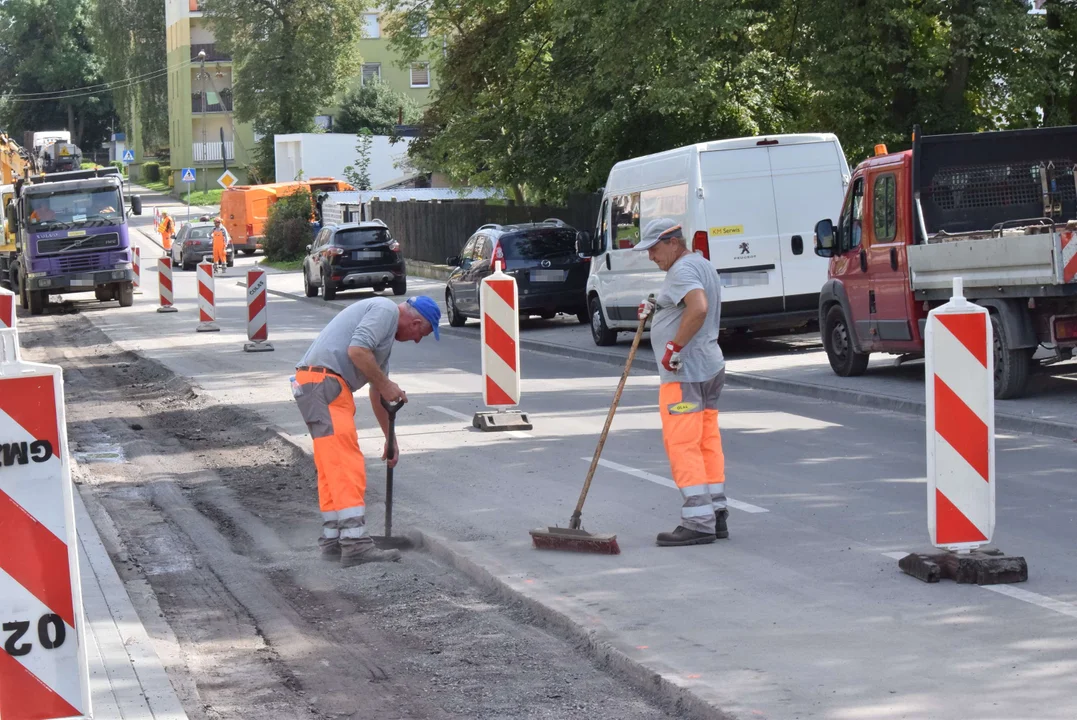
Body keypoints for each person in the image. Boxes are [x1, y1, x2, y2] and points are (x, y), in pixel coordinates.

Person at [292, 295, 441, 566]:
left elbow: (376, 390)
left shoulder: (382, 342)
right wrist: (387, 385)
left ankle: (334, 541)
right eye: (422, 333)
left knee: (332, 467)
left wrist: (390, 438)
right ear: (416, 321)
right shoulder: (385, 310)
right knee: (347, 465)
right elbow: (357, 352)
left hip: (316, 385)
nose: (418, 340)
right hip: (326, 386)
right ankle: (356, 544)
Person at [635, 218, 728, 547]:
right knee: (706, 441)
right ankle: (716, 513)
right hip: (709, 367)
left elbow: (698, 308)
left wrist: (674, 347)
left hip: (684, 374)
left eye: (654, 249)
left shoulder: (681, 271)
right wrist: (657, 307)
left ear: (673, 242)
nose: (651, 256)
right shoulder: (701, 264)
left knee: (683, 443)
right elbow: (691, 303)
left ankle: (698, 521)